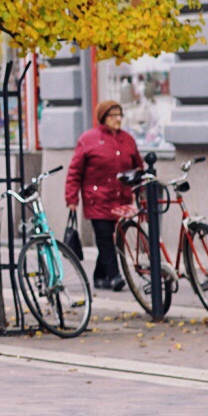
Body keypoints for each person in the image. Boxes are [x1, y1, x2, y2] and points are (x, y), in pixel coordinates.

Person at [64, 100, 144, 292]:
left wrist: (141, 192)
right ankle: (115, 276)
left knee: (112, 239)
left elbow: (138, 167)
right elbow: (75, 171)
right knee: (105, 237)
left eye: (119, 115)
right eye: (113, 115)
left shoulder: (128, 139)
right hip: (97, 199)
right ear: (103, 118)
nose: (118, 119)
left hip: (121, 198)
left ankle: (100, 276)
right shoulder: (88, 139)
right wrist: (72, 198)